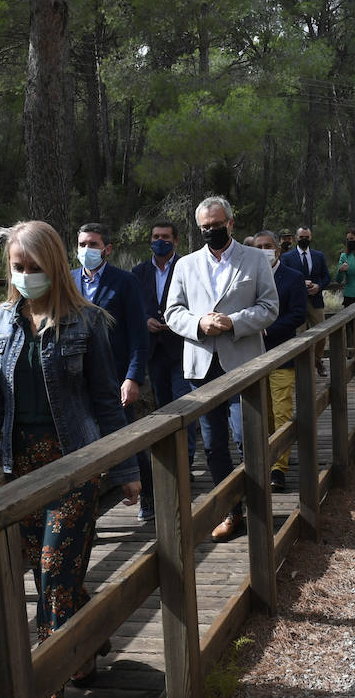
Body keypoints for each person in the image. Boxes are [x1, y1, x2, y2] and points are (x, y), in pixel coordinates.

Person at [0, 220, 141, 698]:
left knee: (51, 585)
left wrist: (125, 469)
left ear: (56, 265)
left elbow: (106, 402)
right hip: (18, 470)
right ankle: (88, 641)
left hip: (72, 467)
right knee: (48, 577)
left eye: (34, 267)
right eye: (17, 269)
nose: (26, 277)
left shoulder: (89, 323)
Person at [164, 196, 278, 542]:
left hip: (243, 362)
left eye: (217, 225)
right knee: (213, 445)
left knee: (248, 439)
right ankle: (233, 512)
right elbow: (173, 312)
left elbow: (270, 307)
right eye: (205, 227)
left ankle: (260, 509)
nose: (211, 231)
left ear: (230, 223)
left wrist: (234, 322)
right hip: (202, 366)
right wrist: (199, 323)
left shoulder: (256, 259)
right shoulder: (185, 264)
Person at [73, 223, 152, 520]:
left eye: (92, 244)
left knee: (126, 438)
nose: (86, 250)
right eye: (81, 244)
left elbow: (138, 335)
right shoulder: (68, 281)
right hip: (79, 379)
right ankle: (86, 511)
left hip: (116, 377)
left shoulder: (125, 282)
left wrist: (133, 377)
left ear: (107, 249)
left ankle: (148, 494)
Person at [131, 220, 199, 504]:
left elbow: (196, 302)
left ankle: (185, 463)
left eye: (166, 237)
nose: (161, 241)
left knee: (185, 405)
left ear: (176, 241)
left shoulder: (188, 267)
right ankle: (171, 460)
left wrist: (178, 321)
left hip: (182, 347)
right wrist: (145, 320)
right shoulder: (138, 272)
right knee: (164, 406)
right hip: (154, 351)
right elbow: (134, 307)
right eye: (156, 236)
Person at [252, 230, 306, 491]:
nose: (263, 249)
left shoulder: (293, 278)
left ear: (278, 250)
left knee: (281, 410)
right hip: (252, 357)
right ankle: (265, 457)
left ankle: (279, 468)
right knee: (262, 413)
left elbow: (297, 314)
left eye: (268, 246)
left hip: (282, 353)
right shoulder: (247, 277)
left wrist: (267, 329)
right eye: (259, 246)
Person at [281, 225, 332, 377]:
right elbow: (284, 278)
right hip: (297, 301)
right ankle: (300, 366)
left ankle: (317, 361)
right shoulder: (287, 257)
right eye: (301, 237)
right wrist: (300, 284)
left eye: (307, 237)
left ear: (311, 238)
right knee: (299, 334)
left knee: (322, 334)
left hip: (315, 300)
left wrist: (319, 286)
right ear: (297, 238)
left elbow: (327, 277)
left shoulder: (318, 255)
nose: (304, 239)